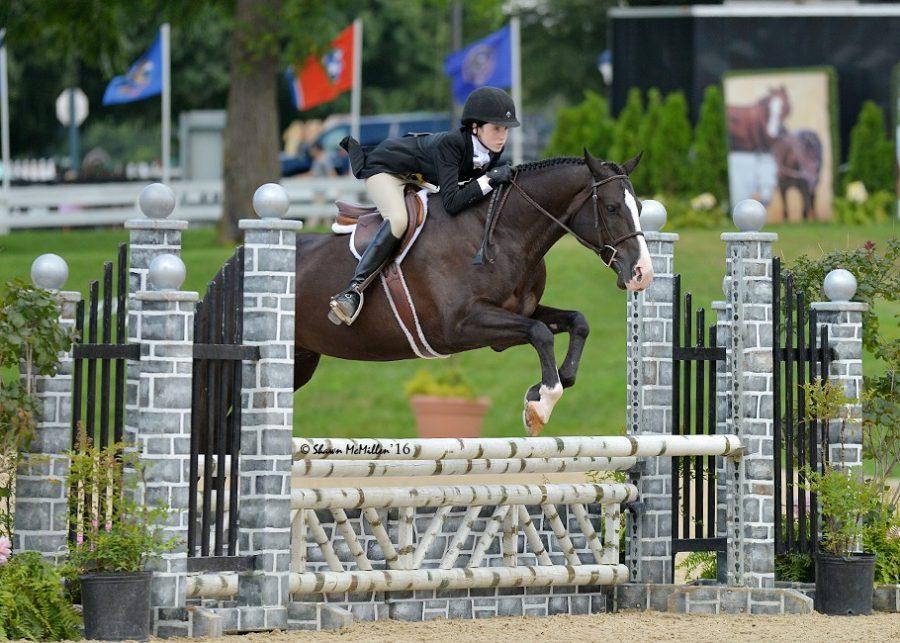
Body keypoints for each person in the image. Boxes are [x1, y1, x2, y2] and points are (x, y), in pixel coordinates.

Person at [329, 86, 519, 325]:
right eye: (496, 128)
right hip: (386, 170)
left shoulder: (490, 150)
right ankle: (353, 291)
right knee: (399, 220)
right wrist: (490, 179)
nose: (502, 136)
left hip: (419, 178)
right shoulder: (454, 144)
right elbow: (452, 201)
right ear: (475, 127)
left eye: (506, 130)